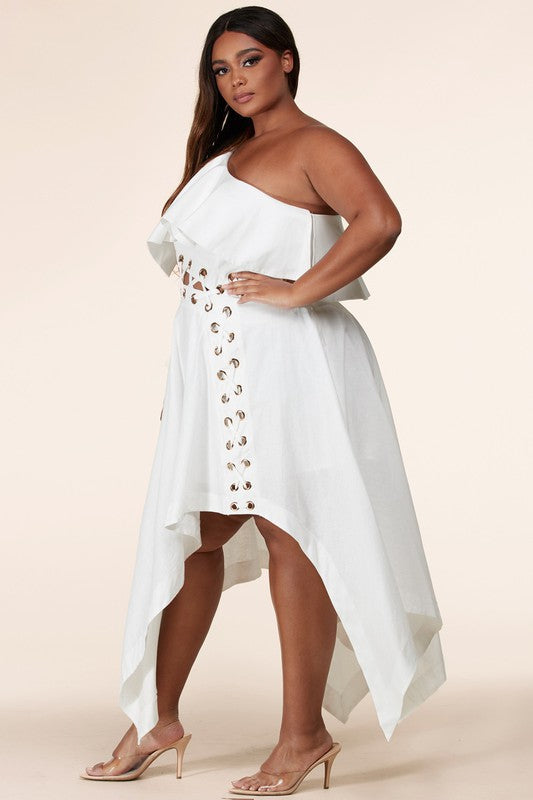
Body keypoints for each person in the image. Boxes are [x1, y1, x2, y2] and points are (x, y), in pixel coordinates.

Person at [80, 6, 446, 795]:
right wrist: (188, 396)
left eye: (248, 60)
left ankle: (302, 736)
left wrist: (296, 290)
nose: (234, 80)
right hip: (221, 374)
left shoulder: (316, 145)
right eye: (221, 69)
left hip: (292, 365)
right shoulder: (224, 155)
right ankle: (157, 718)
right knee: (196, 536)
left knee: (293, 529)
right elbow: (201, 288)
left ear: (286, 60)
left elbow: (380, 221)